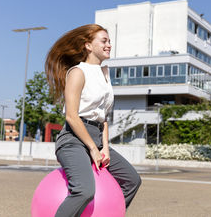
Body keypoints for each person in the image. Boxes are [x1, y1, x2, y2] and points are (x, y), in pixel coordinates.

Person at [45, 24, 141, 217]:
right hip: (74, 140)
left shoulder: (105, 74)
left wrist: (105, 147)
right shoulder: (77, 72)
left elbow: (103, 117)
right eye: (104, 41)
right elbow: (72, 116)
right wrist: (92, 148)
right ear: (88, 45)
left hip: (98, 139)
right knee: (84, 190)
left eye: (109, 41)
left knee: (132, 180)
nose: (109, 45)